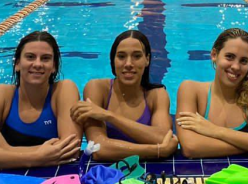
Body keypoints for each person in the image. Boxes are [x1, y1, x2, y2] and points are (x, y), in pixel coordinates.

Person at [0, 32, 82, 169]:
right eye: (30, 57)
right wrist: (38, 157)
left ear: (54, 66)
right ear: (18, 64)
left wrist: (5, 149)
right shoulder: (2, 94)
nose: (38, 64)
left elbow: (71, 150)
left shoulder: (63, 90)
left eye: (45, 58)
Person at [176, 28, 248, 158]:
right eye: (229, 57)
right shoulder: (191, 90)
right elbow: (191, 147)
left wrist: (216, 131)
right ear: (214, 55)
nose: (235, 66)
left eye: (243, 61)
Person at [70, 31, 178, 161]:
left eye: (137, 56)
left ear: (147, 60)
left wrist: (109, 116)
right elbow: (98, 149)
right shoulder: (97, 88)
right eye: (121, 56)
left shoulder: (156, 94)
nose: (128, 64)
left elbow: (163, 137)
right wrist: (157, 150)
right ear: (113, 60)